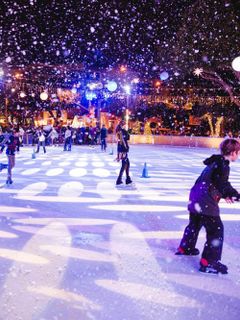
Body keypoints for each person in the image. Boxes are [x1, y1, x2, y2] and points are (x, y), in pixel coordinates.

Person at [175, 138, 240, 274]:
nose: (238, 155)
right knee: (216, 230)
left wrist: (225, 194)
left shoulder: (214, 162)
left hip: (195, 197)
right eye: (238, 152)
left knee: (195, 223)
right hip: (205, 201)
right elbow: (221, 184)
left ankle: (186, 247)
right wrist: (234, 194)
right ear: (233, 152)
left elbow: (214, 182)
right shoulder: (223, 165)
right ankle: (209, 262)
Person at [115, 121, 132, 185]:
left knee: (127, 164)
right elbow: (125, 140)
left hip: (121, 149)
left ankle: (127, 179)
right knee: (124, 165)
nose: (125, 126)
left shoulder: (119, 131)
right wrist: (125, 150)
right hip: (123, 150)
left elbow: (122, 140)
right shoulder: (122, 131)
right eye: (125, 125)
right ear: (123, 125)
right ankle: (119, 180)